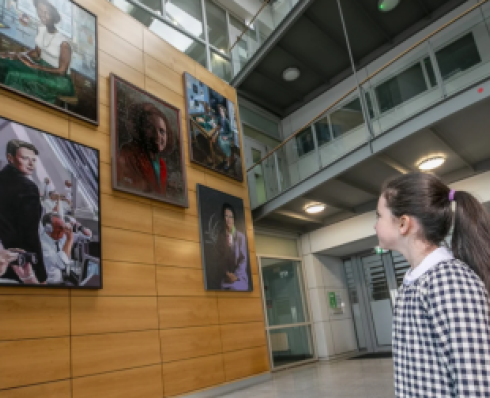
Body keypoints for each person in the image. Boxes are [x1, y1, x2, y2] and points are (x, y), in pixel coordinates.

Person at [374, 172, 490, 397]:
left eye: (379, 216)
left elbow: (477, 382)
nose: (375, 226)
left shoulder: (449, 281)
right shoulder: (415, 281)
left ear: (403, 223)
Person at [0, 0, 75, 105]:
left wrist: (34, 66)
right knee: (4, 61)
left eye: (46, 12)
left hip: (59, 80)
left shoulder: (64, 43)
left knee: (14, 75)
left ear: (53, 15)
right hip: (41, 67)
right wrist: (18, 55)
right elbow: (37, 53)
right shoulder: (41, 28)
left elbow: (61, 71)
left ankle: (9, 105)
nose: (43, 15)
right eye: (40, 10)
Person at [0, 139, 47, 284]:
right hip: (20, 264)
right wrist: (41, 276)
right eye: (25, 158)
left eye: (34, 159)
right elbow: (30, 235)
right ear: (10, 157)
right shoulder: (28, 187)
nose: (31, 164)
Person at [117, 102, 174, 195]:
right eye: (150, 128)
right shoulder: (129, 154)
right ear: (140, 130)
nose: (158, 136)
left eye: (162, 131)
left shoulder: (162, 165)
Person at [218, 203, 249, 291]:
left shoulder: (241, 237)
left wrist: (235, 276)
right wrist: (227, 273)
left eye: (230, 216)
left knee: (234, 287)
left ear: (234, 219)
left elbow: (243, 259)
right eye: (226, 216)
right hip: (226, 278)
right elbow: (220, 259)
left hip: (240, 277)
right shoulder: (220, 237)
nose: (228, 219)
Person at [40, 212, 73, 284]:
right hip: (50, 285)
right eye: (59, 227)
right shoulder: (42, 245)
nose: (63, 230)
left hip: (63, 281)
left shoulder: (60, 238)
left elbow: (88, 236)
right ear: (48, 228)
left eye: (63, 226)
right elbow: (62, 263)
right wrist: (69, 240)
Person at [213, 104, 233, 171]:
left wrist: (226, 137)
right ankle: (223, 159)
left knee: (224, 144)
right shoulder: (220, 118)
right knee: (216, 141)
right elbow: (215, 120)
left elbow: (231, 133)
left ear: (224, 112)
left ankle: (228, 163)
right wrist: (214, 123)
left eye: (221, 111)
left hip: (226, 136)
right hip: (221, 134)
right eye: (219, 111)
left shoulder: (227, 121)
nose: (220, 112)